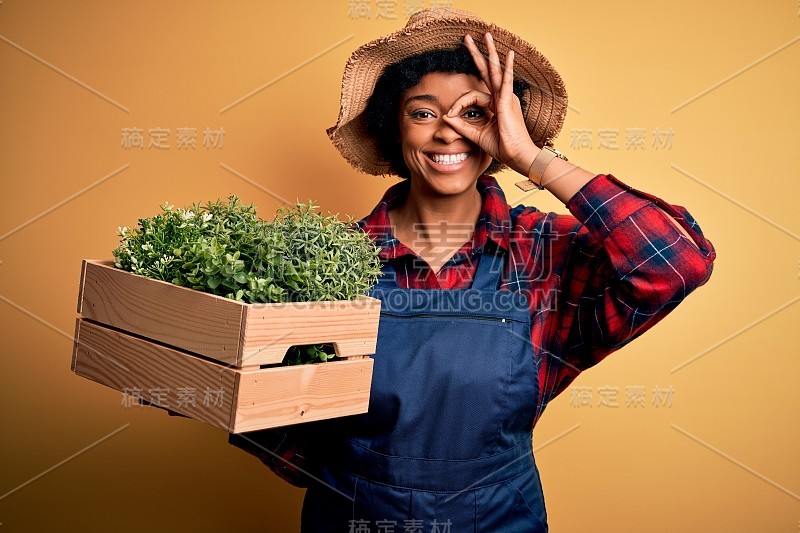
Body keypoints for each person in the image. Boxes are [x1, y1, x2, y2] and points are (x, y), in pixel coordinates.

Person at [227, 8, 716, 532]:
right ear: (394, 125)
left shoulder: (543, 251)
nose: (449, 133)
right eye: (423, 113)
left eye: (475, 114)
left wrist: (533, 157)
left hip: (500, 520)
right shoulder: (332, 259)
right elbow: (270, 409)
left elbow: (676, 263)